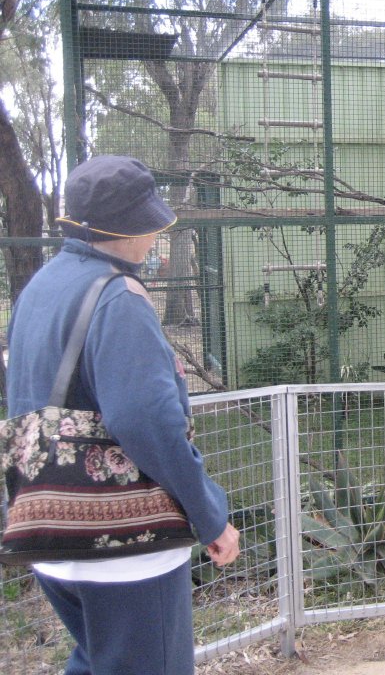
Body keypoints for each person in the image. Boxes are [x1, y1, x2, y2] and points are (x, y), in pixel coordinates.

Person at [5, 155, 240, 673]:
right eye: (147, 225)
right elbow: (147, 422)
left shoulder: (37, 291)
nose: (154, 236)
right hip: (124, 549)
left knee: (97, 659)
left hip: (48, 530)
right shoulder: (118, 298)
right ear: (123, 230)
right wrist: (210, 516)